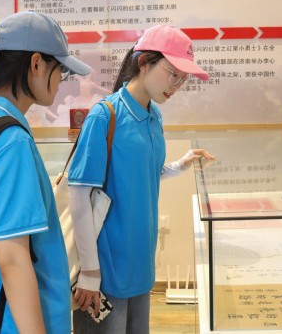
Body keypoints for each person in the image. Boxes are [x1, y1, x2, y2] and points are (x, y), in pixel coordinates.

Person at [0, 10, 92, 333]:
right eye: (60, 70)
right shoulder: (11, 142)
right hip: (16, 322)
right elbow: (12, 260)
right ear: (37, 63)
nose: (61, 80)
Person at [68, 24, 215, 333]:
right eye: (173, 74)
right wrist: (90, 272)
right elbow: (79, 194)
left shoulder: (153, 115)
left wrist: (181, 164)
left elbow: (144, 173)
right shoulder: (104, 116)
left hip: (140, 262)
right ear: (144, 62)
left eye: (183, 79)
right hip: (106, 268)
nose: (177, 85)